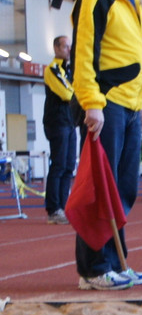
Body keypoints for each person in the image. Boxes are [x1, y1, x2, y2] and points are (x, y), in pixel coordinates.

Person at [70, 0, 142, 290]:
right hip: (105, 108)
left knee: (123, 189)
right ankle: (93, 269)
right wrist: (92, 103)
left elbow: (134, 54)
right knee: (100, 190)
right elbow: (84, 56)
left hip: (128, 108)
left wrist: (141, 104)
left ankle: (116, 261)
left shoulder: (131, 0)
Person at [43, 35, 77, 225]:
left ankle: (64, 207)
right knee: (58, 164)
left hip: (70, 122)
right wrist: (77, 92)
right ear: (56, 48)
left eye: (70, 47)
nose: (69, 50)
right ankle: (53, 209)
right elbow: (67, 93)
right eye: (65, 46)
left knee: (69, 166)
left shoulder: (71, 69)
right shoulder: (52, 69)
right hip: (57, 122)